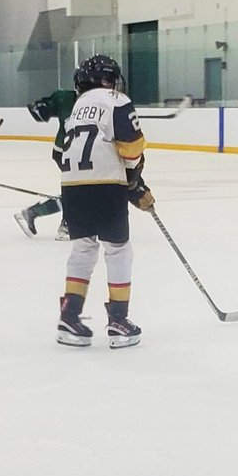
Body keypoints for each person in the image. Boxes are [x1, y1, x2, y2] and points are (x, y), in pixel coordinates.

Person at [55, 54, 152, 348]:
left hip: (71, 184)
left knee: (83, 247)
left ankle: (69, 317)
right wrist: (134, 181)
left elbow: (60, 153)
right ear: (110, 80)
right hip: (105, 185)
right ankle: (119, 320)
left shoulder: (76, 109)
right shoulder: (116, 99)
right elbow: (132, 148)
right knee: (118, 248)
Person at [15, 86, 77, 240]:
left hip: (82, 152)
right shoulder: (66, 98)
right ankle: (67, 225)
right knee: (78, 192)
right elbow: (43, 111)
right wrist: (41, 108)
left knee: (80, 191)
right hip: (65, 151)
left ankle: (34, 213)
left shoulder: (101, 101)